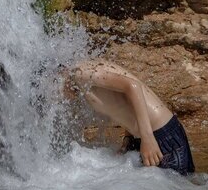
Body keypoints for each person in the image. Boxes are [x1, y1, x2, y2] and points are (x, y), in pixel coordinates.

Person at [65, 59, 195, 175]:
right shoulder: (81, 76)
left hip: (160, 137)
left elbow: (133, 87)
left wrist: (147, 138)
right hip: (145, 137)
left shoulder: (82, 72)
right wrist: (129, 138)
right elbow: (123, 100)